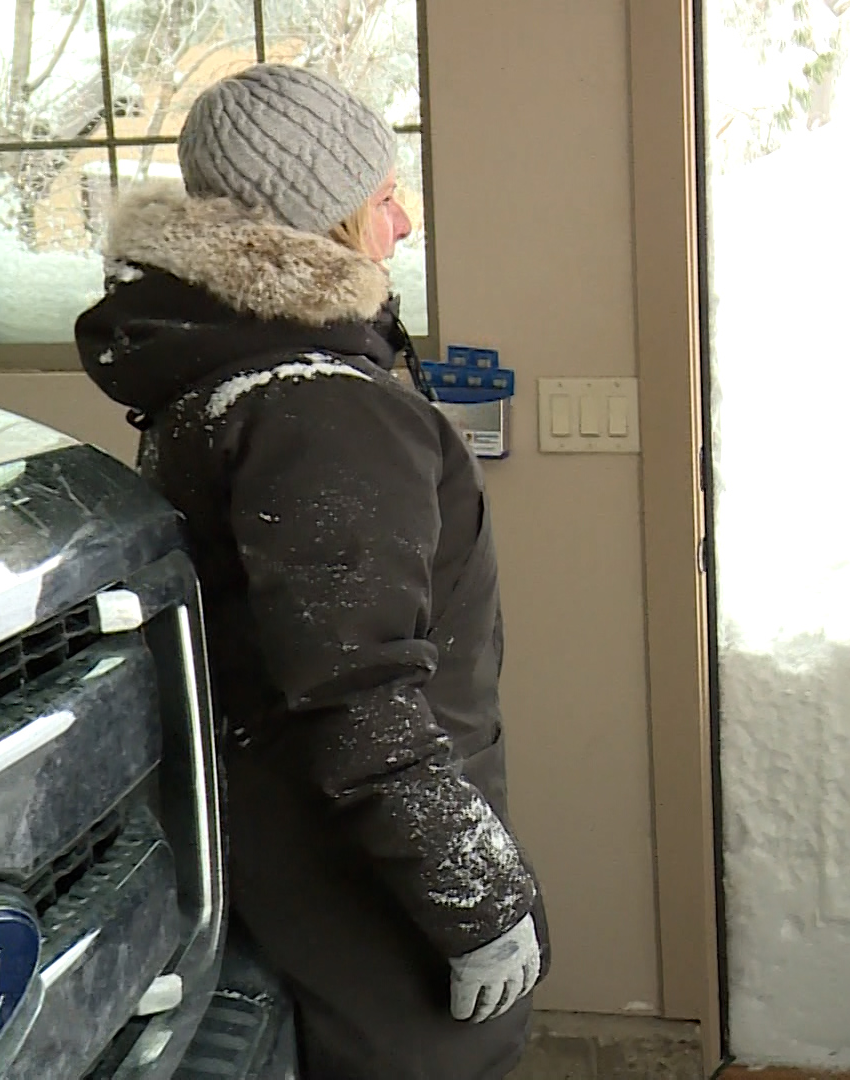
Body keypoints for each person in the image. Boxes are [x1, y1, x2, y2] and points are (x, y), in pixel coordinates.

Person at [76, 64, 548, 1080]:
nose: (406, 224)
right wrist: (475, 897)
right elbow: (357, 694)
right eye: (383, 198)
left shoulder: (227, 382)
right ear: (322, 220)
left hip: (292, 870)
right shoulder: (318, 408)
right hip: (366, 910)